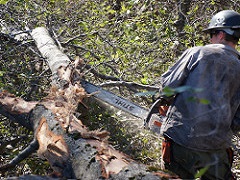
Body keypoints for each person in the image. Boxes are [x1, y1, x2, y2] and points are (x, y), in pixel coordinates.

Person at [159, 10, 240, 179]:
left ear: (220, 34)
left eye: (211, 34)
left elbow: (167, 86)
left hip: (181, 141)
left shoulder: (197, 53)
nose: (210, 39)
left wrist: (166, 100)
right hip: (216, 151)